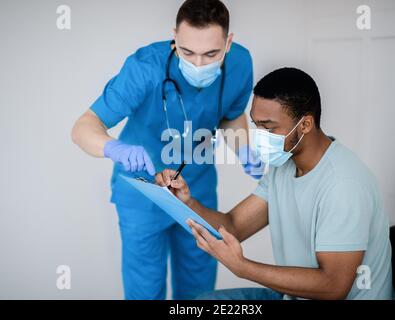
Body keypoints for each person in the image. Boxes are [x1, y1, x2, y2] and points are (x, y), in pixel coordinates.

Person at [71, 0, 264, 300]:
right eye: (187, 52)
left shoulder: (240, 63)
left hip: (197, 193)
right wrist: (114, 148)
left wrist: (244, 149)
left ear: (228, 43)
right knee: (145, 291)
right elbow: (84, 127)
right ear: (174, 37)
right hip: (142, 194)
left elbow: (230, 115)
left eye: (211, 54)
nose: (198, 64)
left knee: (199, 293)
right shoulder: (144, 67)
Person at [156, 67, 395, 300]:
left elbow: (333, 286)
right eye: (256, 125)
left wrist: (243, 268)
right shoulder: (284, 165)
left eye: (269, 127)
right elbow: (234, 226)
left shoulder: (344, 184)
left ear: (305, 125)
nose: (259, 136)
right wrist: (187, 202)